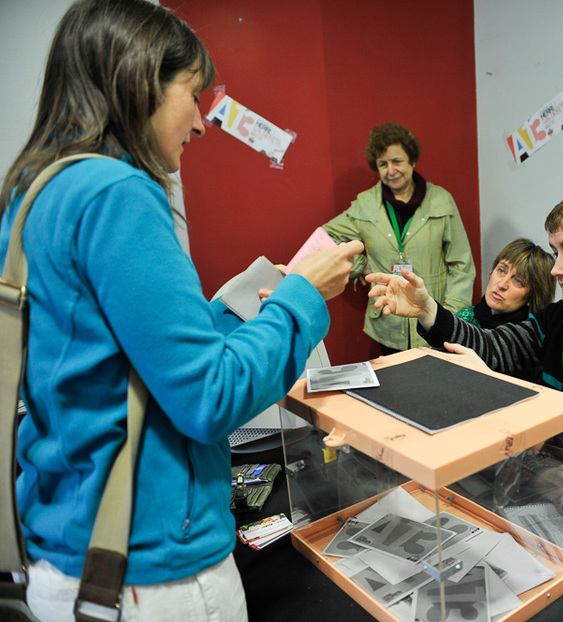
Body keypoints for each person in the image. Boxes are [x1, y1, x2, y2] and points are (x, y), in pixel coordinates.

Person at [0, 1, 362, 619]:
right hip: (151, 568)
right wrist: (302, 293)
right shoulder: (120, 193)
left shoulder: (36, 190)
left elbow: (127, 359)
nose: (201, 122)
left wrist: (232, 318)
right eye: (193, 94)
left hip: (72, 542)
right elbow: (208, 398)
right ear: (139, 80)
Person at [365, 193, 563, 477]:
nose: (555, 269)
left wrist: (492, 390)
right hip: (557, 484)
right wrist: (427, 310)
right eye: (555, 252)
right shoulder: (561, 317)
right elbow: (492, 347)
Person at [323, 122, 475, 355]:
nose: (390, 170)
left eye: (397, 161)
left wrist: (450, 314)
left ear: (412, 161)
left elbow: (462, 264)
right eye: (382, 164)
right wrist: (361, 267)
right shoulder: (365, 204)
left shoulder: (441, 201)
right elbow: (326, 239)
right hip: (388, 320)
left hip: (433, 318)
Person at [456, 238, 555, 329]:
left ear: (532, 296)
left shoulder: (532, 336)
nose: (502, 285)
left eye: (518, 281)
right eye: (501, 271)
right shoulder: (463, 318)